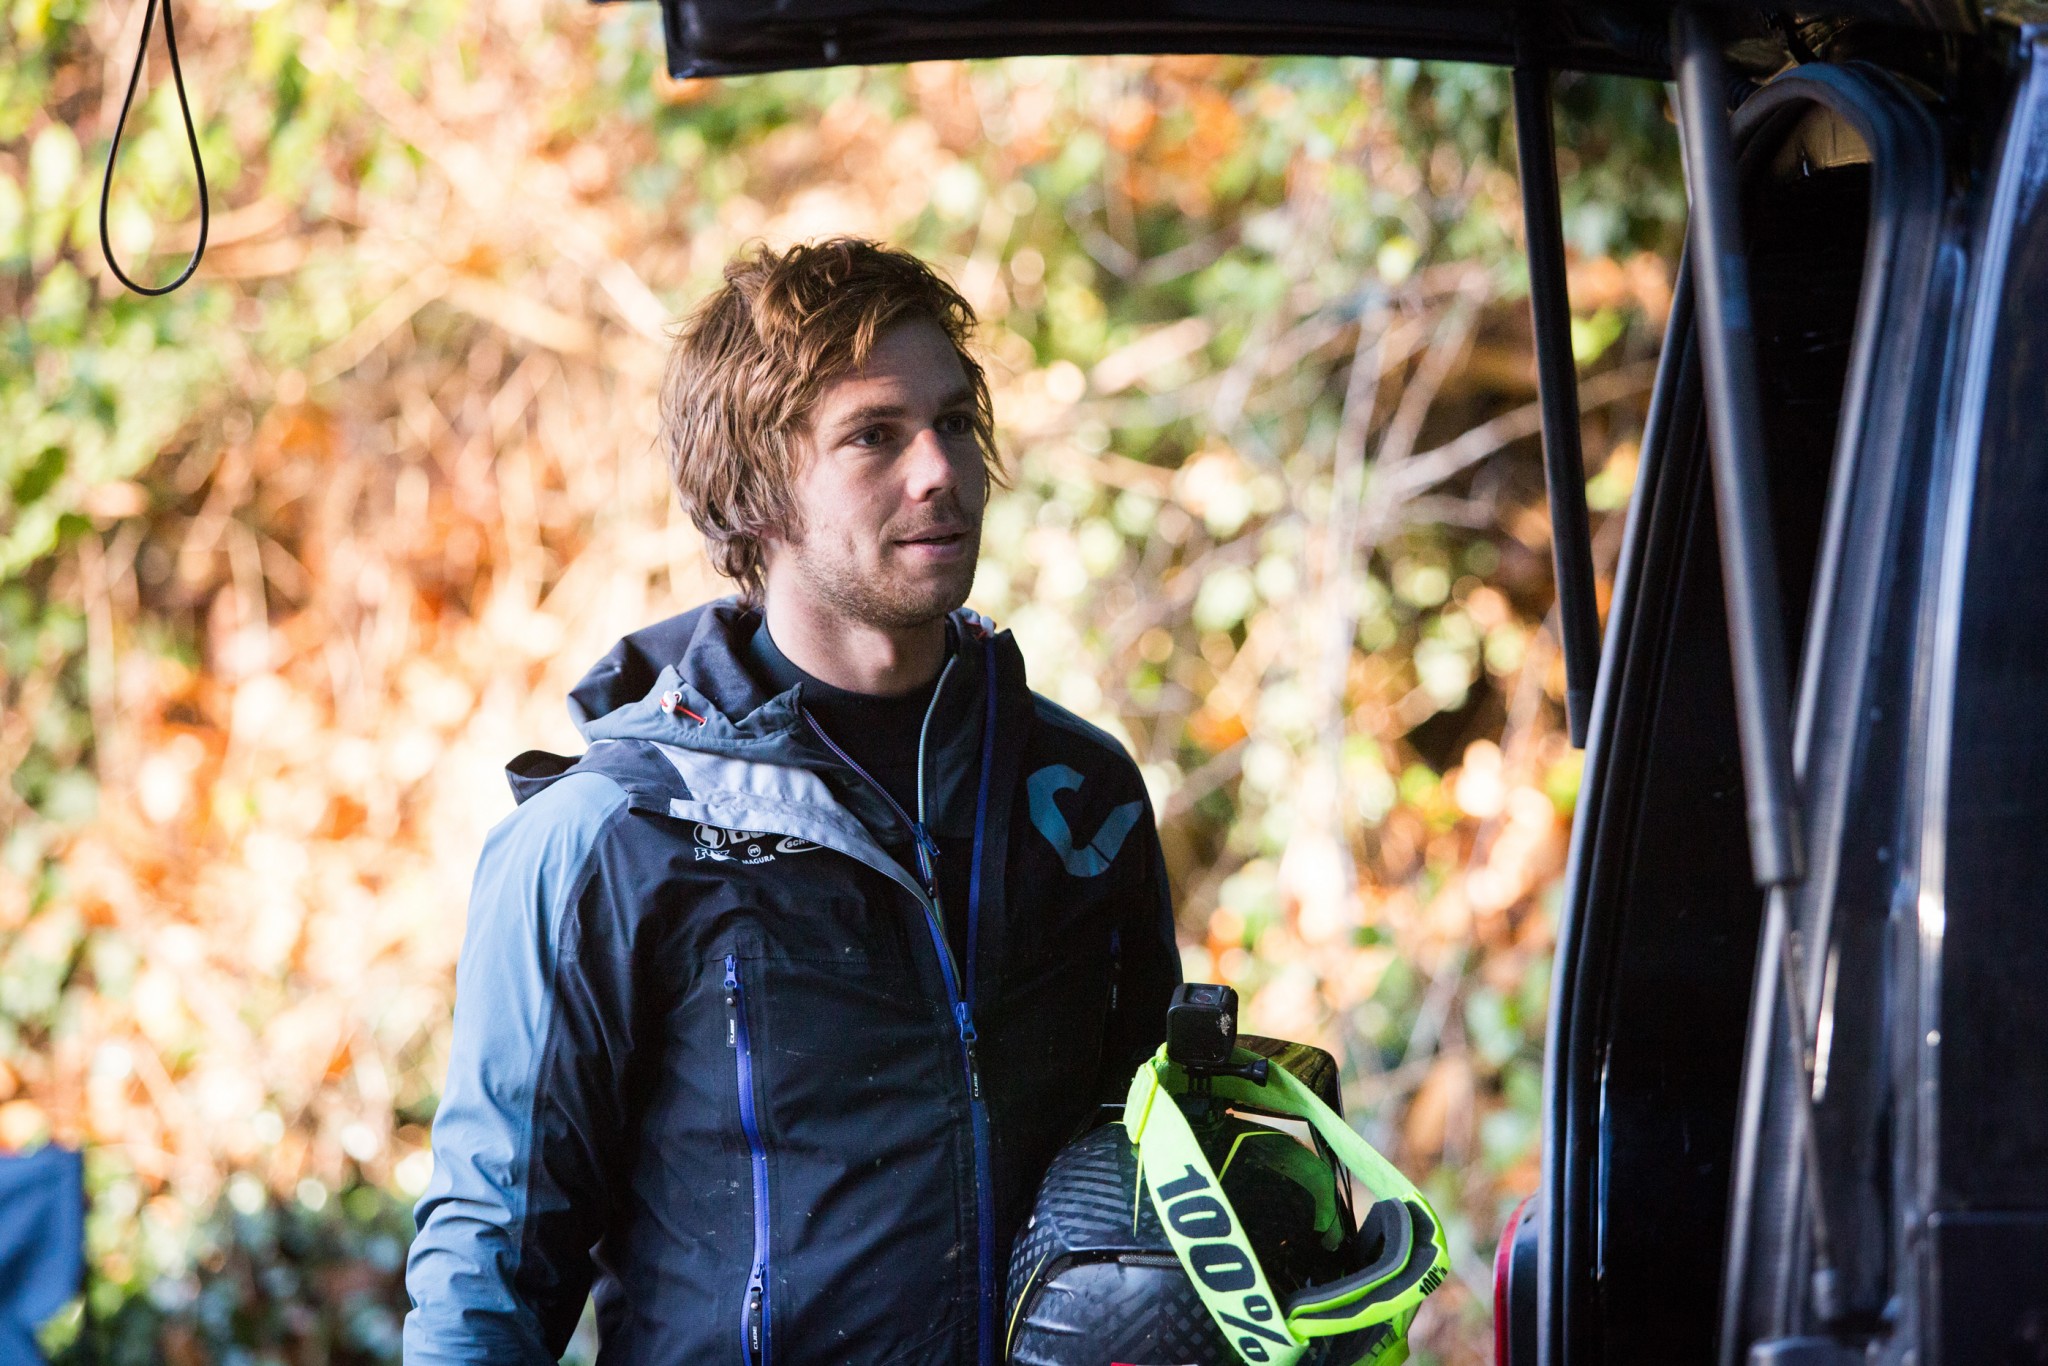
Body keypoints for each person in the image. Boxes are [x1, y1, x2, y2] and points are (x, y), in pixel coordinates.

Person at [403, 238, 1180, 1365]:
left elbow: (1155, 1171)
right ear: (753, 489)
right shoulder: (610, 836)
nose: (938, 469)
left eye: (953, 422)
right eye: (874, 435)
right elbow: (488, 1262)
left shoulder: (1078, 795)